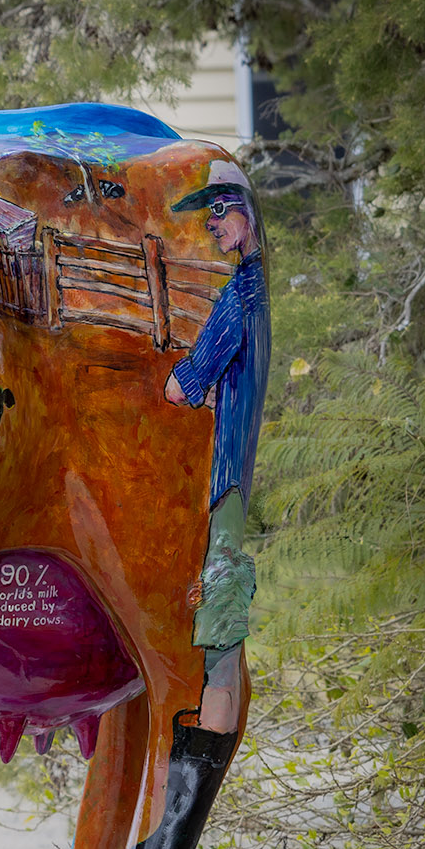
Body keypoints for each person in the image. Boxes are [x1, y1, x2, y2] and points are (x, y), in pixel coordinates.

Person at [163, 158, 268, 735]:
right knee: (220, 620)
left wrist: (167, 380)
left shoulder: (239, 299)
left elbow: (184, 387)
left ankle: (200, 754)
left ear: (248, 216)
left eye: (221, 211)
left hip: (225, 475)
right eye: (210, 216)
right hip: (239, 468)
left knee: (221, 630)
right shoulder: (263, 297)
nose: (213, 224)